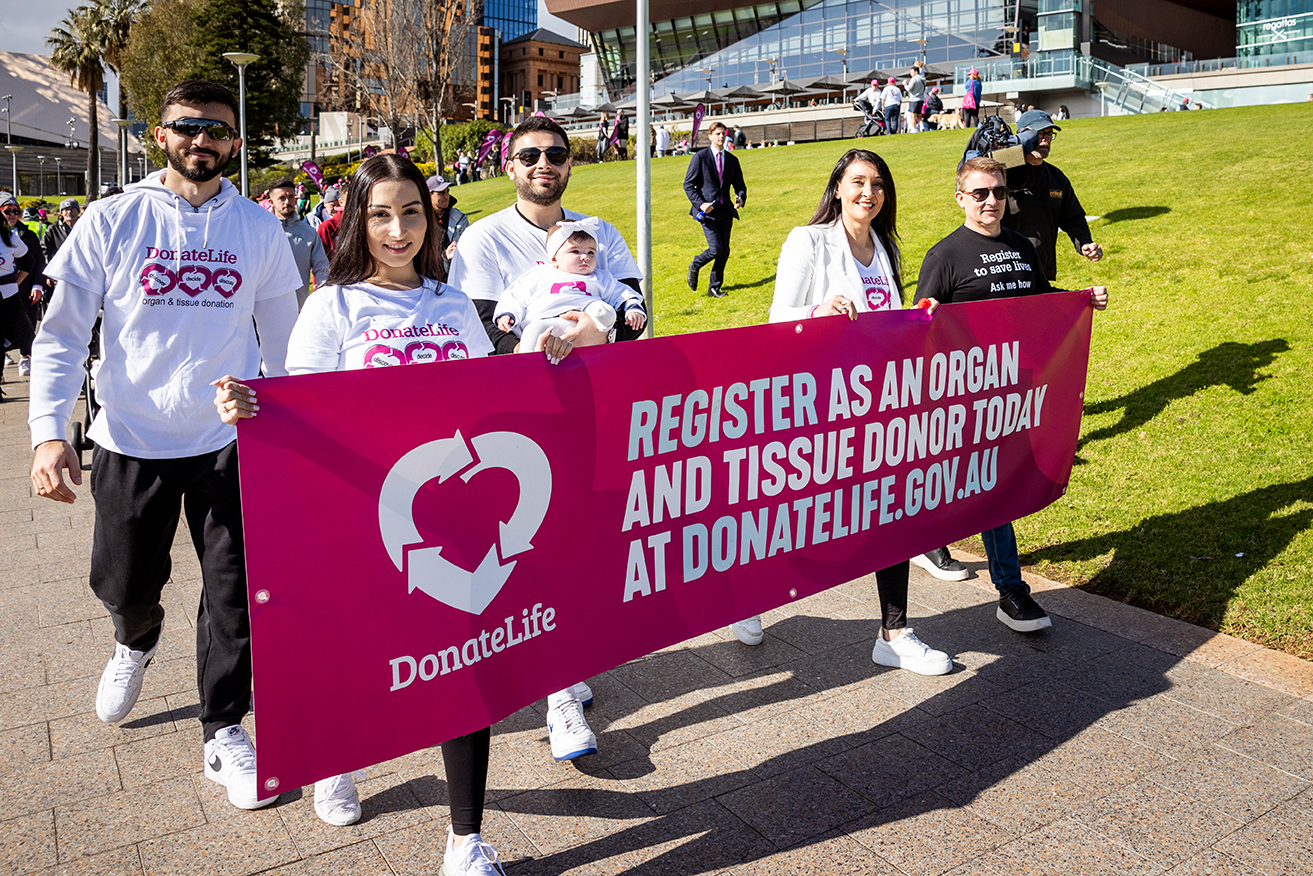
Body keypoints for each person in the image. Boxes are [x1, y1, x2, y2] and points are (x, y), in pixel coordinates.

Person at [213, 155, 560, 871]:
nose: (397, 230)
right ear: (355, 223)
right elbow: (298, 412)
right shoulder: (331, 307)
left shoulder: (451, 304)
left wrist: (541, 354)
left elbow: (487, 403)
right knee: (358, 659)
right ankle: (340, 758)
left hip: (453, 520)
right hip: (361, 519)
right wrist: (248, 406)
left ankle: (466, 839)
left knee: (468, 669)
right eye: (380, 215)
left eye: (411, 213)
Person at [28, 79, 302, 811]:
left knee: (235, 597)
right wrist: (48, 434)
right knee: (123, 584)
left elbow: (286, 346)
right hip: (129, 439)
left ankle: (223, 732)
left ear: (236, 143)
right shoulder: (112, 219)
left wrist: (288, 426)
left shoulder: (258, 229)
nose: (201, 140)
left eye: (216, 129)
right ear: (161, 135)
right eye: (187, 126)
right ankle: (134, 641)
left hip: (229, 443)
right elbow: (58, 338)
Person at [448, 116, 643, 762]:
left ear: (569, 164)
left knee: (572, 547)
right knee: (524, 547)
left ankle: (556, 662)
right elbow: (481, 331)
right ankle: (556, 692)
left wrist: (586, 333)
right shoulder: (481, 240)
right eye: (528, 154)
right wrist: (549, 344)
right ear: (508, 165)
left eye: (555, 154)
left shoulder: (600, 236)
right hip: (512, 419)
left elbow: (633, 319)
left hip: (588, 412)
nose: (543, 163)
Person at [726, 148, 953, 676]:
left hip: (876, 403)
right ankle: (746, 594)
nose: (867, 192)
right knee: (791, 508)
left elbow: (890, 321)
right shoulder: (808, 241)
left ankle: (893, 634)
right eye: (857, 182)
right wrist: (818, 311)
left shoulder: (885, 249)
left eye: (877, 184)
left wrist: (921, 318)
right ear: (837, 189)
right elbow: (776, 317)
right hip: (813, 400)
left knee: (893, 505)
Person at [912, 156, 1107, 633]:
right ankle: (1011, 589)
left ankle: (929, 535)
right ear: (960, 198)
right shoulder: (944, 256)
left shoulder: (1022, 247)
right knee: (985, 483)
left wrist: (1081, 298)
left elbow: (1041, 301)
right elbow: (918, 326)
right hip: (964, 394)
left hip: (1015, 389)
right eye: (979, 193)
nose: (991, 202)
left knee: (979, 482)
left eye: (998, 192)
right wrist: (929, 314)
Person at [495, 217, 646, 352]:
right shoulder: (542, 274)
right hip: (546, 321)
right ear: (554, 259)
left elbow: (622, 292)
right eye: (575, 251)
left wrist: (632, 307)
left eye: (591, 252)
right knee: (532, 332)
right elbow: (516, 294)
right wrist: (508, 313)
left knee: (598, 308)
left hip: (585, 323)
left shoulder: (600, 277)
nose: (585, 257)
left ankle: (603, 316)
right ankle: (528, 366)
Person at [1003, 110, 1102, 282]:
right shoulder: (1001, 172)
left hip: (1043, 272)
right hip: (1005, 271)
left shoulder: (1056, 177)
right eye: (1040, 133)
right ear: (1022, 135)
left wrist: (1085, 243)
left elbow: (1073, 219)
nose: (1046, 139)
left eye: (1049, 134)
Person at [683, 121, 747, 299]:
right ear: (710, 136)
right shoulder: (700, 157)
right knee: (715, 248)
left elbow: (740, 185)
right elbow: (688, 185)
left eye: (723, 134)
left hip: (725, 211)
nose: (721, 137)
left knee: (724, 251)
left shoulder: (733, 160)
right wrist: (701, 204)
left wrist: (740, 198)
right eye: (717, 134)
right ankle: (695, 265)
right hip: (707, 212)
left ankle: (714, 288)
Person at [267, 178, 330, 310]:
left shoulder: (308, 233)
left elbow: (322, 268)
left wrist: (326, 295)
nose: (287, 202)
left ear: (296, 199)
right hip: (265, 309)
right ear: (271, 202)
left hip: (298, 308)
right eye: (282, 198)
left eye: (291, 197)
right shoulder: (261, 232)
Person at [0, 193, 35, 392]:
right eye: (6, 211)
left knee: (30, 340)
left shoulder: (9, 238)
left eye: (14, 211)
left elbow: (29, 261)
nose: (11, 215)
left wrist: (14, 282)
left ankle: (58, 380)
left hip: (10, 300)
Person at [428, 174, 469, 278]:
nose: (446, 196)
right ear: (429, 195)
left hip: (458, 276)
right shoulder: (419, 220)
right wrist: (444, 257)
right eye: (441, 193)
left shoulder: (459, 218)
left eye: (447, 191)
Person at [906, 64, 926, 132]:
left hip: (914, 99)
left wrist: (905, 84)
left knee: (913, 115)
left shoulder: (914, 79)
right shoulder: (923, 79)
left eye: (912, 72)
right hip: (921, 99)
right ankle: (922, 126)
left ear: (916, 72)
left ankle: (914, 129)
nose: (911, 74)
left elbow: (909, 89)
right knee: (919, 115)